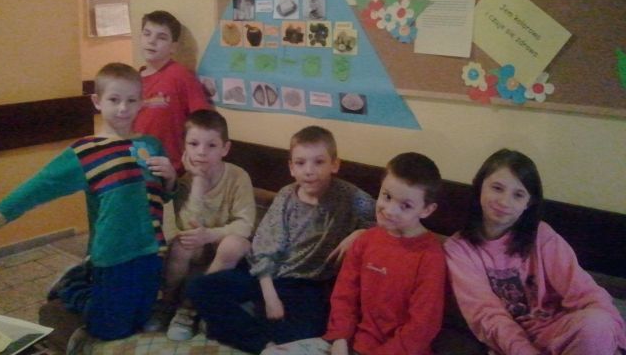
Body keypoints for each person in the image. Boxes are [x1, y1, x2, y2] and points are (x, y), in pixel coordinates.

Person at [0, 63, 177, 351]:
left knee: (141, 317)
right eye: (114, 99)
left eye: (131, 100)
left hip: (151, 250)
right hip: (112, 254)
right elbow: (40, 185)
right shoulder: (86, 152)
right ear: (97, 101)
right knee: (109, 328)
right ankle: (72, 284)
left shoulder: (151, 145)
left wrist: (171, 177)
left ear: (141, 102)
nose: (123, 108)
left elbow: (164, 195)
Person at [184, 126, 376, 354]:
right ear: (291, 168)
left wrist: (360, 233)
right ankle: (263, 344)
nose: (309, 171)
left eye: (319, 162)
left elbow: (384, 216)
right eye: (301, 163)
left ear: (334, 164)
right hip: (266, 274)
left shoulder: (349, 196)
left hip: (307, 283)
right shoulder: (286, 196)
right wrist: (270, 297)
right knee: (199, 287)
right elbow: (263, 249)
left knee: (310, 330)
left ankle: (236, 323)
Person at [444, 149, 626, 355]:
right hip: (511, 344)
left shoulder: (542, 235)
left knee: (597, 324)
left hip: (562, 334)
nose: (504, 201)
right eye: (497, 188)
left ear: (528, 203)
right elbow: (487, 316)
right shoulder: (458, 249)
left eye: (518, 195)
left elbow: (584, 292)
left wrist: (616, 338)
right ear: (479, 188)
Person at [262, 152, 447, 355]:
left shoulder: (430, 257)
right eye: (387, 196)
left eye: (406, 206)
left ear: (427, 210)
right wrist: (340, 338)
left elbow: (421, 328)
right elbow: (344, 296)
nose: (390, 210)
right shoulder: (365, 240)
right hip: (349, 343)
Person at [144, 109, 256, 341]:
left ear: (225, 148)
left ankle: (190, 307)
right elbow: (186, 225)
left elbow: (245, 225)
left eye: (211, 145)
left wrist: (211, 235)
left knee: (233, 244)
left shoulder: (238, 176)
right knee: (181, 244)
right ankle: (167, 302)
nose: (201, 152)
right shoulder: (184, 181)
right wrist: (198, 181)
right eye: (194, 144)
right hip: (198, 246)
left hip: (226, 250)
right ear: (184, 147)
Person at [134, 10, 213, 175]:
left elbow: (203, 121)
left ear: (173, 47)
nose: (152, 41)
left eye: (161, 37)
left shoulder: (180, 75)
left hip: (170, 169)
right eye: (147, 34)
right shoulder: (132, 80)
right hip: (137, 165)